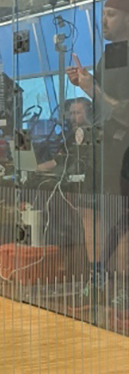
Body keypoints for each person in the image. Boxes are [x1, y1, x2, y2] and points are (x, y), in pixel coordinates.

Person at [67, 0, 129, 303]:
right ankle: (98, 276)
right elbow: (103, 109)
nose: (103, 20)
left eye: (111, 14)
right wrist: (85, 85)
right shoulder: (110, 55)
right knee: (90, 211)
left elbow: (123, 111)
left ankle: (123, 287)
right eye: (102, 13)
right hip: (108, 152)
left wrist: (93, 89)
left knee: (124, 217)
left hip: (125, 156)